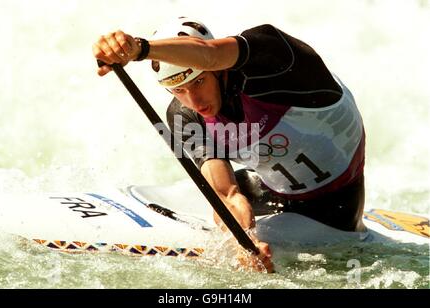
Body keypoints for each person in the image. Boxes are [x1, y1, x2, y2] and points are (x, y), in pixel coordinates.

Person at [93, 17, 366, 274]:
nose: (194, 101)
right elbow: (227, 195)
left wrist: (139, 49)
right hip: (271, 190)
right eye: (178, 90)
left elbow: (209, 53)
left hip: (337, 209)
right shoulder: (183, 116)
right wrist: (245, 244)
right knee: (215, 203)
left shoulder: (272, 58)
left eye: (198, 81)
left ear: (218, 70)